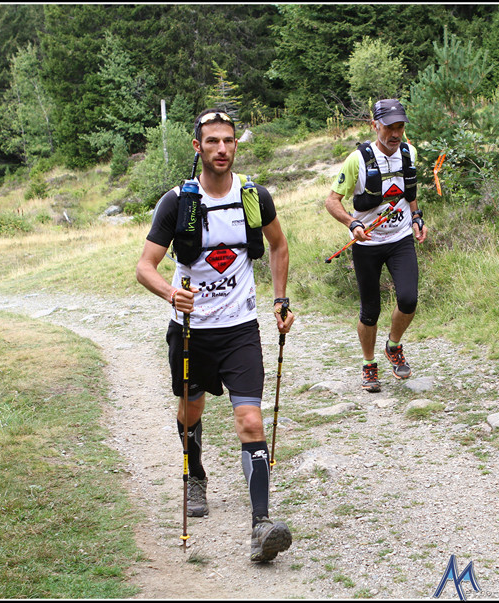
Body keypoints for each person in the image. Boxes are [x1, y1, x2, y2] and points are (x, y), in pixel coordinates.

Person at [136, 109, 294, 563]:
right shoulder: (177, 203)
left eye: (228, 141)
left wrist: (280, 300)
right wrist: (171, 293)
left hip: (240, 330)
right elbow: (145, 267)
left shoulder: (253, 196)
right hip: (191, 332)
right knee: (191, 409)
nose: (221, 149)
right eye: (212, 141)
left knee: (251, 421)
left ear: (235, 145)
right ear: (198, 147)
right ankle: (195, 476)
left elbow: (279, 245)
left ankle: (261, 525)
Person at [325, 99, 427, 393]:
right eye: (389, 127)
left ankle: (393, 346)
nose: (395, 134)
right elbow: (332, 201)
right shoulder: (357, 160)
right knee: (370, 311)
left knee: (408, 299)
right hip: (367, 244)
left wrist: (416, 217)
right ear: (375, 126)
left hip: (400, 239)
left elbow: (409, 192)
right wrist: (352, 223)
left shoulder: (409, 152)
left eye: (400, 127)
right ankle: (369, 364)